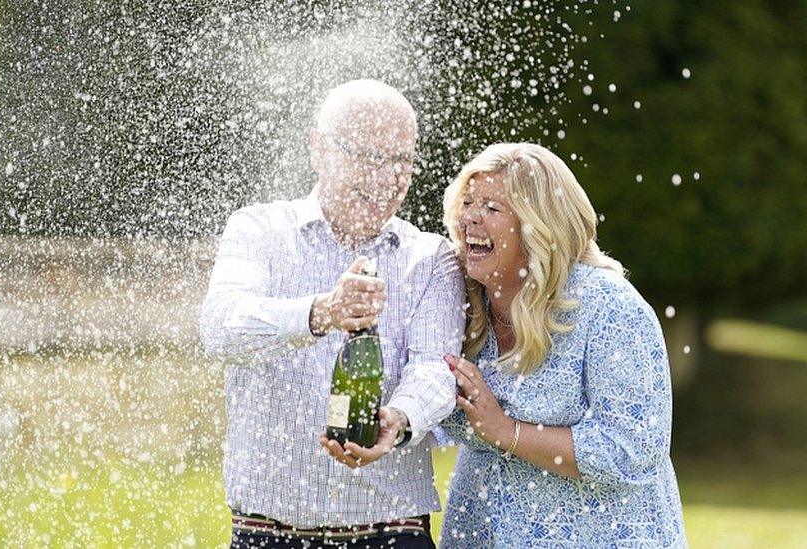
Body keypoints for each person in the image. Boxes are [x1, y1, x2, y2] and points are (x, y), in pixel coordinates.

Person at [199, 79, 465, 548]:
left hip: (392, 531)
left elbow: (436, 369)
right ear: (318, 150)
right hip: (269, 533)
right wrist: (322, 312)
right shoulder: (259, 230)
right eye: (368, 157)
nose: (386, 179)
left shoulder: (431, 257)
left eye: (401, 161)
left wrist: (399, 420)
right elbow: (221, 328)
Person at [436, 143, 687, 547]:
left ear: (538, 226)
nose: (470, 219)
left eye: (492, 209)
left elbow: (630, 450)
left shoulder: (609, 307)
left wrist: (506, 431)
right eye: (467, 202)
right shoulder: (457, 301)